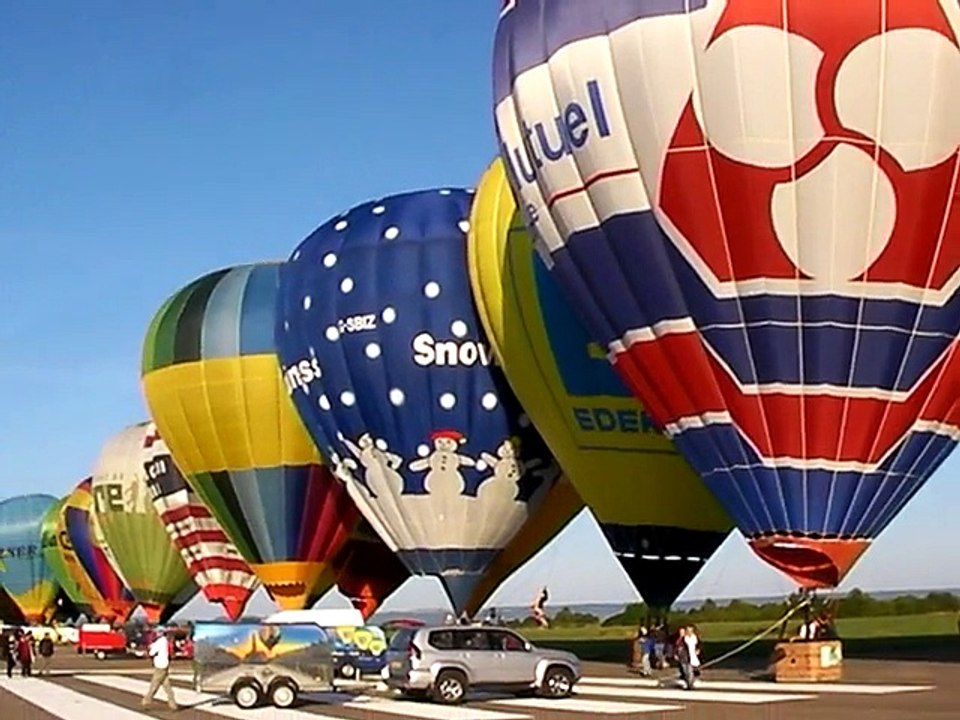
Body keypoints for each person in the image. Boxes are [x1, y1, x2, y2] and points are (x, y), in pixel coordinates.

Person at [141, 628, 177, 711]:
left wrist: (149, 650)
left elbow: (151, 652)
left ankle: (147, 700)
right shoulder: (164, 641)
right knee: (166, 685)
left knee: (155, 683)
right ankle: (172, 703)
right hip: (165, 664)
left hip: (160, 665)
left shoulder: (159, 642)